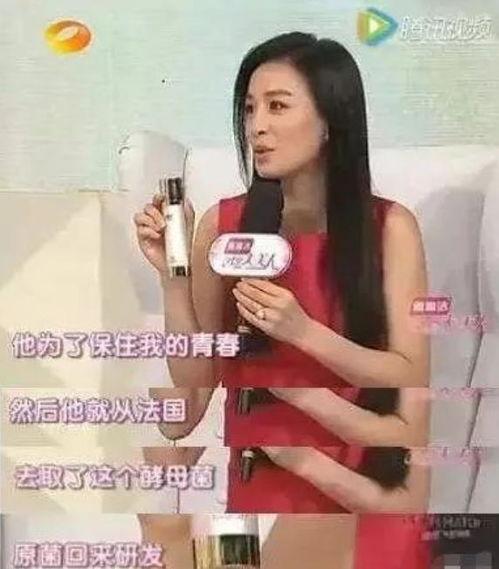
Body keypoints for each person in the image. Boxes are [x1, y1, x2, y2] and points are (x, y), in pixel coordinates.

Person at [134, 31, 431, 568]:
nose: (257, 127)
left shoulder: (391, 228)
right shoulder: (222, 226)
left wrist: (302, 332)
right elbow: (194, 389)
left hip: (358, 491)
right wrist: (172, 277)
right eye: (249, 109)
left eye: (277, 106)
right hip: (258, 496)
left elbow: (408, 372)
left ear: (329, 121)